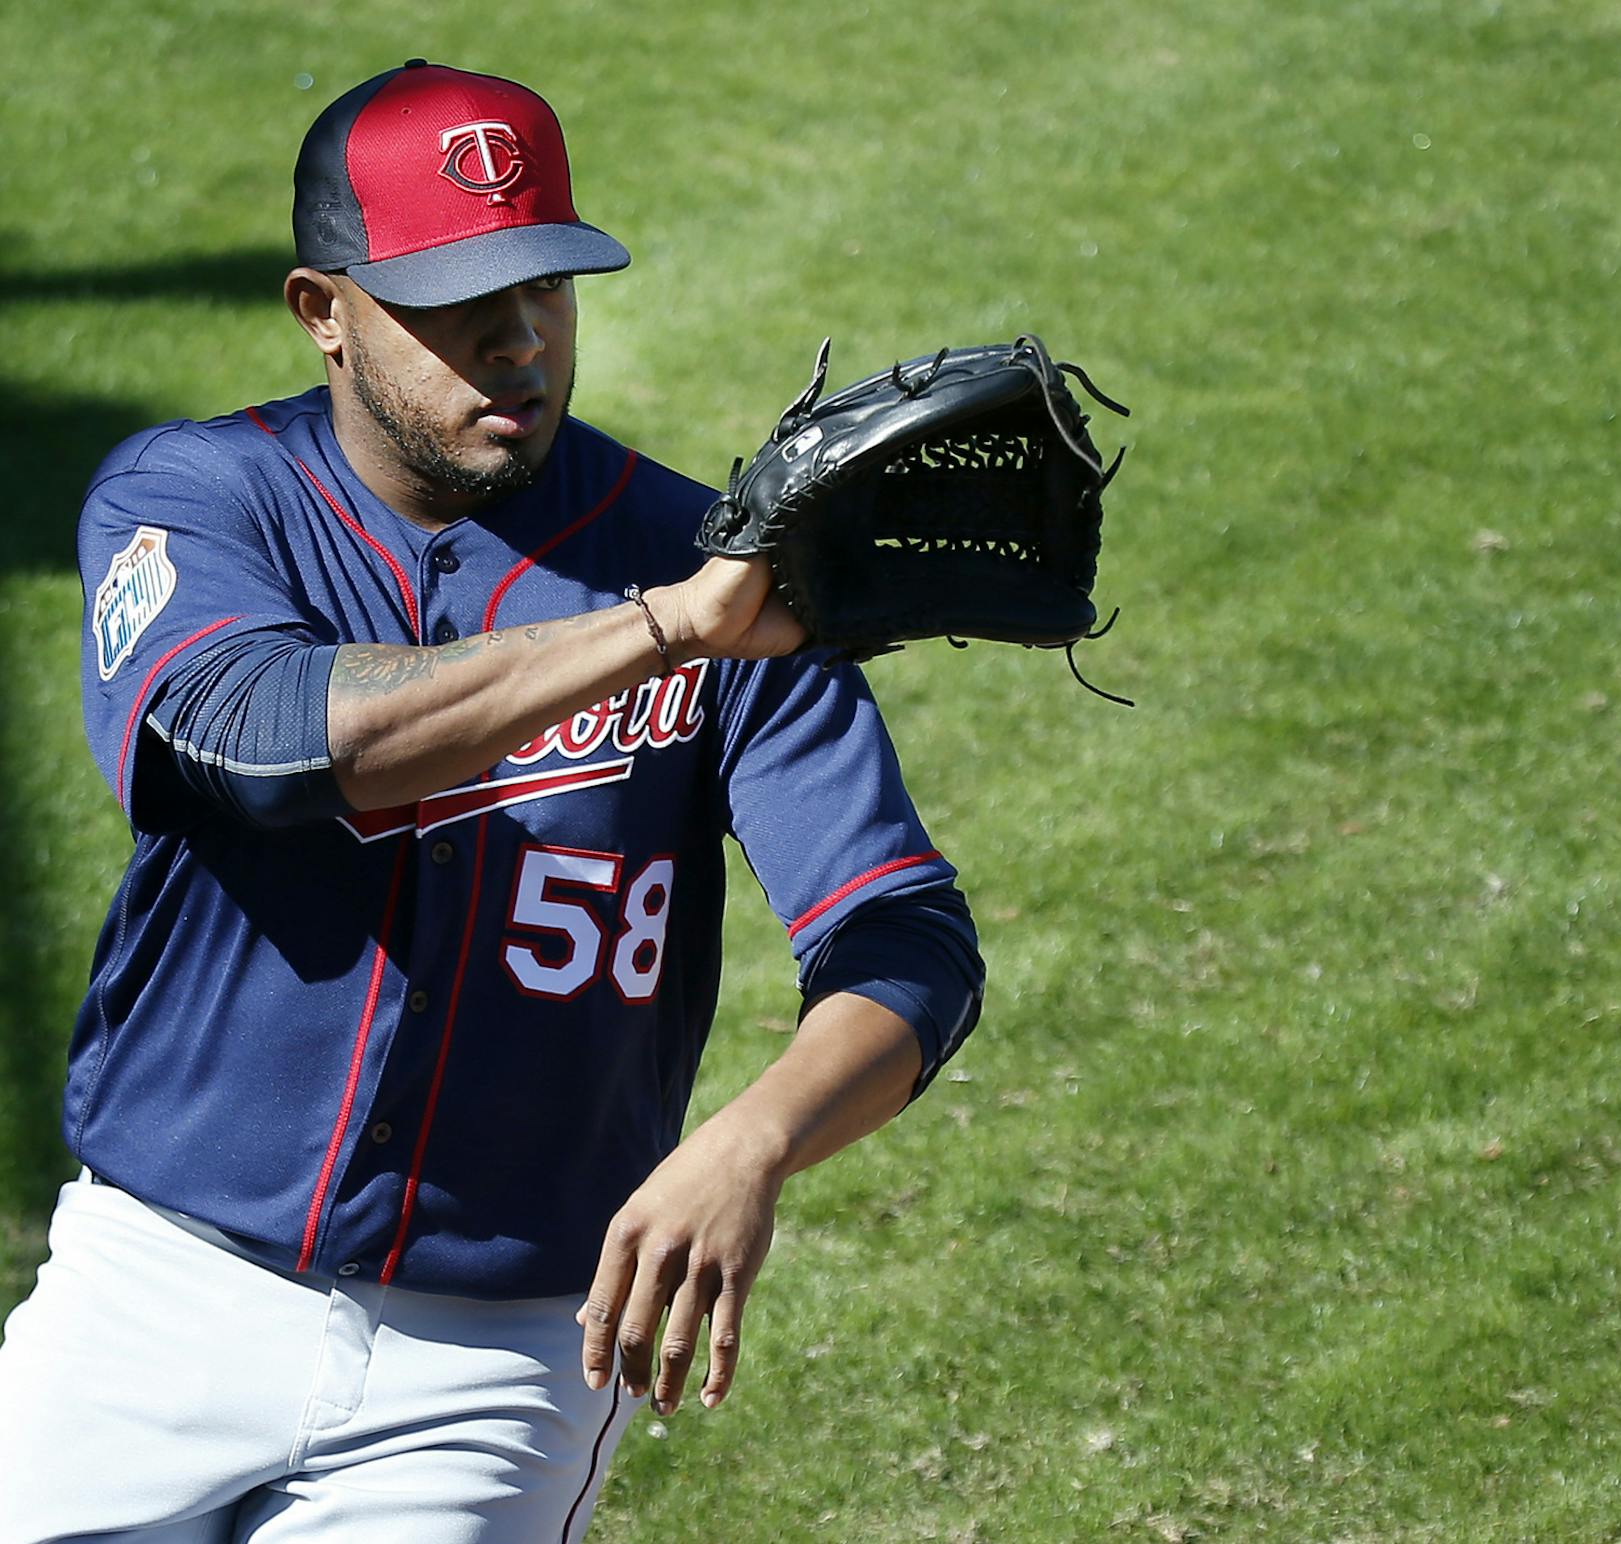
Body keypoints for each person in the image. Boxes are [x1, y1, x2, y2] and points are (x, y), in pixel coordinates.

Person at [0, 59, 983, 1542]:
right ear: (323, 311)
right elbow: (268, 740)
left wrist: (756, 1138)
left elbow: (905, 937)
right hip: (162, 1297)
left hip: (499, 1357)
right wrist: (660, 629)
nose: (517, 339)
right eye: (457, 302)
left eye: (545, 285)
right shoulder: (196, 497)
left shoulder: (703, 564)